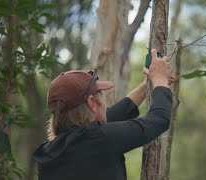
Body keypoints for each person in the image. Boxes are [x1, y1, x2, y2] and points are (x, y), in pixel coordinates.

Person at [32, 49, 173, 180]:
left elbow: (111, 117)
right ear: (92, 103)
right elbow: (158, 120)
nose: (105, 106)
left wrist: (148, 82)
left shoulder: (48, 152)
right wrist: (161, 80)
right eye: (102, 97)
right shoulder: (100, 140)